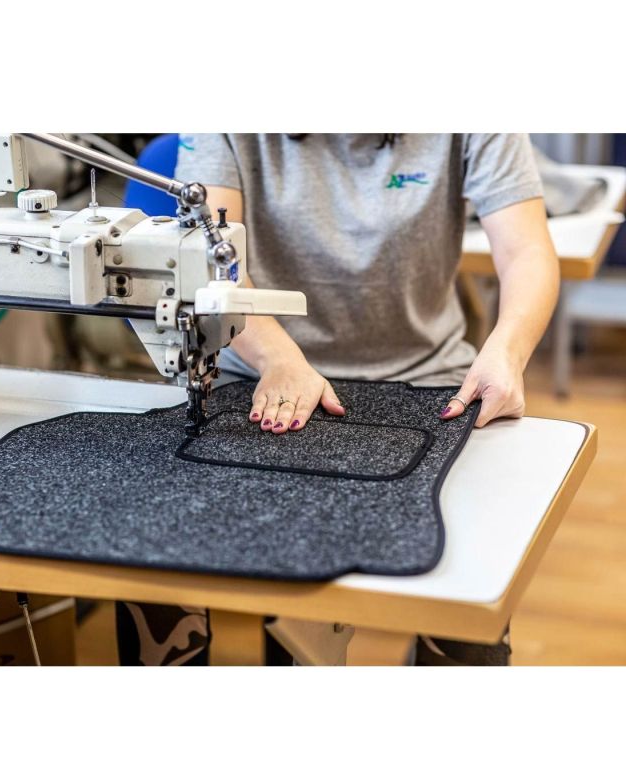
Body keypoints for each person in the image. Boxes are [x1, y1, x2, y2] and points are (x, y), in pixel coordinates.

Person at [116, 133, 559, 666]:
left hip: (427, 379)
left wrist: (507, 351)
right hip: (257, 372)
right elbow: (214, 259)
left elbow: (527, 250)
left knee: (473, 595)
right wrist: (279, 359)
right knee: (150, 559)